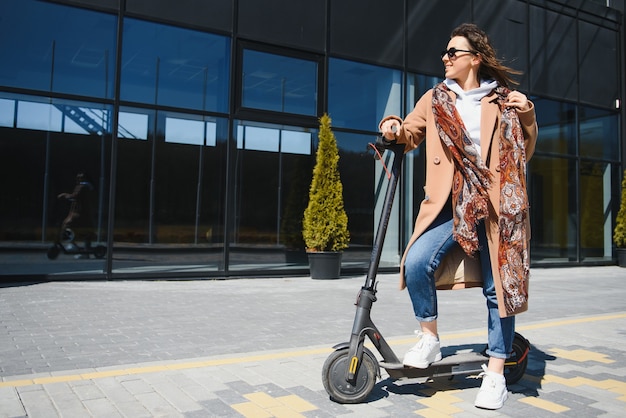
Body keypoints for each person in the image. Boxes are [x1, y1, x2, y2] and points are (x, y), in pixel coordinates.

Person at [379, 23, 537, 410]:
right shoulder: (435, 99)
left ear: (474, 59)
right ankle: (429, 338)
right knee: (416, 262)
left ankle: (496, 373)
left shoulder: (501, 100)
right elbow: (410, 132)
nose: (445, 58)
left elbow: (525, 150)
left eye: (453, 52)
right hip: (452, 206)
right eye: (445, 53)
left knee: (495, 291)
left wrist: (528, 114)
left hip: (497, 209)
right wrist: (392, 126)